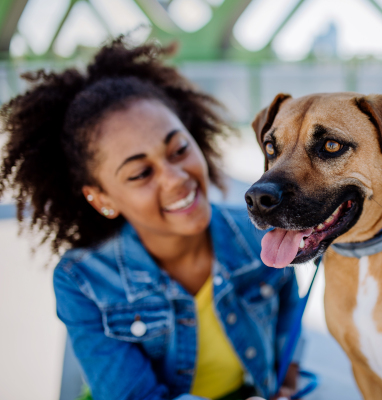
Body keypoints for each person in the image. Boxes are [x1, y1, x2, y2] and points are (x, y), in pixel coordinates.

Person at [0, 38, 302, 400]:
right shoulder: (82, 281)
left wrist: (288, 372)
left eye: (179, 149)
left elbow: (288, 305)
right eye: (141, 173)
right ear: (102, 198)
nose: (176, 178)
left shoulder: (260, 235)